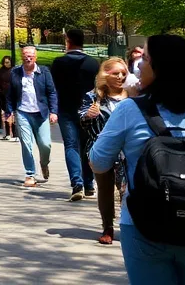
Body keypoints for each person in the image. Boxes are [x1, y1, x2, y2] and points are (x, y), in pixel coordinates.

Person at [90, 35, 185, 284]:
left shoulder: (129, 110)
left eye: (146, 59)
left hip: (142, 226)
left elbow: (98, 162)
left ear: (160, 67)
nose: (139, 65)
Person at [78, 57, 130, 245]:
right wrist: (87, 116)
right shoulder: (93, 96)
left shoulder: (132, 95)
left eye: (123, 73)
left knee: (127, 189)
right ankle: (107, 226)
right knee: (105, 189)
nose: (120, 77)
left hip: (128, 151)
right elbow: (82, 120)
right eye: (116, 73)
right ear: (105, 74)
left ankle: (128, 226)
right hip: (101, 149)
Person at [50, 28, 100, 201]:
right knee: (87, 146)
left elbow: (54, 88)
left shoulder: (58, 63)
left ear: (68, 41)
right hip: (87, 110)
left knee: (71, 146)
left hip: (66, 109)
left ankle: (77, 183)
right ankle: (89, 185)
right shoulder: (93, 63)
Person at [4, 45, 58, 188]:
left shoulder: (44, 72)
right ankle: (30, 174)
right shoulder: (15, 72)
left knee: (45, 144)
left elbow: (52, 92)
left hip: (41, 113)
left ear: (35, 57)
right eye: (25, 56)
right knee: (26, 144)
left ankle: (44, 163)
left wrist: (53, 112)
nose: (28, 58)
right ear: (22, 57)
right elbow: (10, 94)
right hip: (22, 113)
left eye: (31, 56)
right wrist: (9, 112)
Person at [0, 56, 16, 140]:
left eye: (8, 62)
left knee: (13, 114)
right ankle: (7, 133)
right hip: (3, 94)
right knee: (6, 113)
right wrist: (0, 91)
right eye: (5, 62)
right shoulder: (0, 71)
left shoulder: (14, 70)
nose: (6, 64)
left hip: (13, 94)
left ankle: (15, 134)